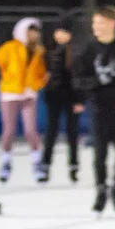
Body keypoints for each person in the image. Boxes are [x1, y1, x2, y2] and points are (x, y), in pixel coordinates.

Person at [73, 6, 115, 213]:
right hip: (99, 108)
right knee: (100, 152)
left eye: (100, 23)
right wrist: (96, 82)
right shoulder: (90, 50)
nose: (96, 27)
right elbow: (79, 78)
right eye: (95, 23)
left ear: (112, 24)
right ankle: (101, 191)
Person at [0, 18, 47, 182]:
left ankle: (37, 162)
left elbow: (41, 73)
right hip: (10, 94)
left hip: (29, 95)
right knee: (9, 131)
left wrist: (36, 85)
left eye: (35, 31)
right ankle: (6, 161)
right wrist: (7, 80)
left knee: (31, 130)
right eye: (30, 30)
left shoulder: (39, 51)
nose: (33, 34)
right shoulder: (9, 47)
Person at [42, 27, 84, 183]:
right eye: (58, 32)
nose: (60, 35)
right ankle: (45, 165)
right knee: (51, 132)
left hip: (71, 97)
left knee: (72, 132)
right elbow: (45, 74)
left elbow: (80, 77)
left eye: (64, 32)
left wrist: (80, 99)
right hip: (54, 96)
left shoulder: (75, 52)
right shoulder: (48, 51)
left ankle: (73, 166)